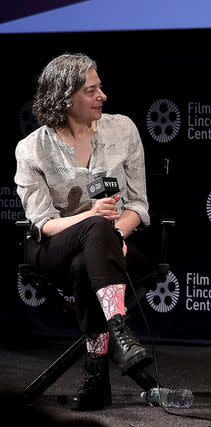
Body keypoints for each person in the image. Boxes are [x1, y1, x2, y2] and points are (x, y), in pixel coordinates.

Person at [14, 53, 152, 411]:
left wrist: (116, 234)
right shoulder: (31, 149)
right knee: (95, 227)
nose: (102, 95)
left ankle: (96, 376)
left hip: (111, 246)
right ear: (65, 97)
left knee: (85, 266)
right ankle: (120, 331)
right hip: (53, 247)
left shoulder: (123, 130)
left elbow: (138, 205)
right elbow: (43, 223)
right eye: (91, 90)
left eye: (100, 87)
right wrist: (93, 218)